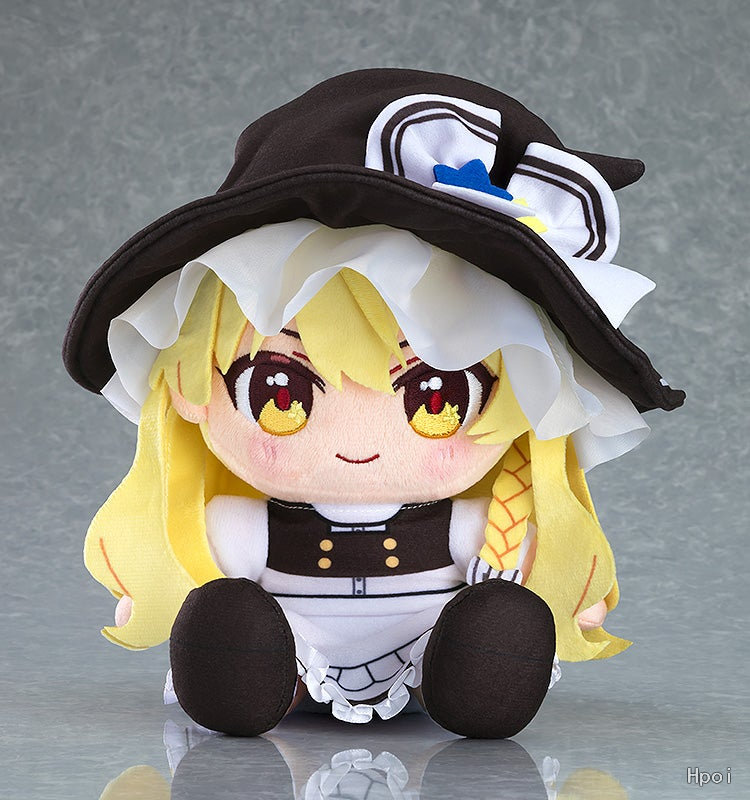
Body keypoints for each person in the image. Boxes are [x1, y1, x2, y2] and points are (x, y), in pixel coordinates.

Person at [64, 70, 684, 739]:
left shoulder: (476, 527)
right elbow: (189, 547)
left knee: (496, 625)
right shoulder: (254, 527)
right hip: (292, 646)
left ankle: (478, 675)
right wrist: (151, 582)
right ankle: (248, 676)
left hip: (427, 648)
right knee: (231, 617)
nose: (355, 441)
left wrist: (566, 588)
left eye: (436, 399)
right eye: (279, 394)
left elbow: (525, 549)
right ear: (190, 391)